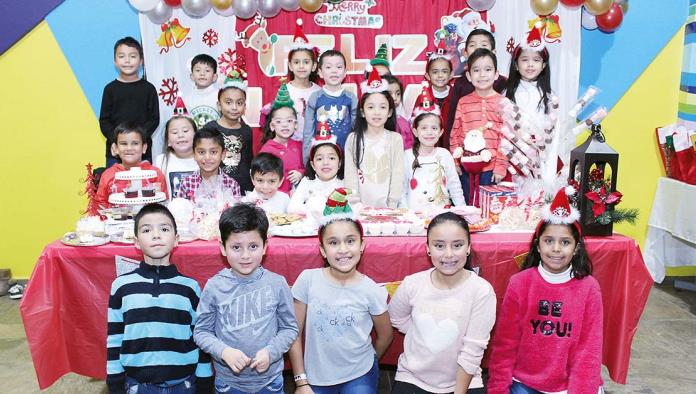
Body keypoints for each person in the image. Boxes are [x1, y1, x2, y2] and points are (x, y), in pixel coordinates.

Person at [487, 187, 604, 394]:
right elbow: (505, 344)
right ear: (538, 245)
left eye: (565, 242)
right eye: (549, 241)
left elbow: (588, 352)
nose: (556, 249)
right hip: (523, 382)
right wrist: (498, 389)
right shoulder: (519, 283)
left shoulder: (589, 288)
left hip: (567, 387)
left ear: (576, 248)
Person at [288, 189, 393, 393]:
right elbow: (293, 333)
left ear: (362, 245)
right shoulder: (308, 280)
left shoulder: (371, 289)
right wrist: (301, 381)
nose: (343, 249)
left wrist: (367, 363)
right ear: (322, 250)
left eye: (350, 241)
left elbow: (386, 335)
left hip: (359, 373)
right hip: (315, 376)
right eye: (333, 243)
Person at [106, 203, 213, 394]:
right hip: (137, 385)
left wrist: (204, 377)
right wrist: (114, 379)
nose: (156, 235)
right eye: (147, 230)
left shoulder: (190, 287)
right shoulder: (121, 286)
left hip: (184, 384)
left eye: (164, 229)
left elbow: (201, 336)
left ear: (176, 239)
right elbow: (115, 337)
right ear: (136, 242)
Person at [194, 204, 298, 393]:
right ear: (223, 248)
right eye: (236, 247)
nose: (245, 256)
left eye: (253, 246)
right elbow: (201, 332)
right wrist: (224, 352)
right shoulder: (215, 286)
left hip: (270, 382)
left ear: (265, 246)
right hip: (229, 384)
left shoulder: (277, 283)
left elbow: (289, 328)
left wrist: (270, 352)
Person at [389, 212, 496, 393]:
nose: (448, 254)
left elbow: (472, 351)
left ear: (468, 247)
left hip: (464, 381)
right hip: (413, 377)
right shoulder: (413, 284)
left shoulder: (481, 291)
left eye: (457, 245)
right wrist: (422, 333)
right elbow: (396, 317)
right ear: (428, 248)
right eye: (439, 245)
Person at [450, 48, 509, 205]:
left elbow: (506, 138)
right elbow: (455, 132)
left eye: (488, 70)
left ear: (496, 74)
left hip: (491, 168)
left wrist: (500, 167)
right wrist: (455, 162)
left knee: (489, 208)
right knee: (468, 207)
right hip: (467, 167)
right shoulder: (463, 102)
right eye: (476, 70)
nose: (482, 75)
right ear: (469, 76)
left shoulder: (503, 103)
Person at [344, 68, 404, 208]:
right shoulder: (353, 139)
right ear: (362, 112)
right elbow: (351, 174)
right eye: (371, 107)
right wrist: (355, 203)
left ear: (389, 112)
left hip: (389, 208)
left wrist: (392, 203)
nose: (377, 112)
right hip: (360, 208)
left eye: (382, 107)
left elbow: (397, 173)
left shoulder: (395, 139)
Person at [99, 36, 159, 167]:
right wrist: (118, 140)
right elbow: (104, 121)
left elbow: (154, 119)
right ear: (115, 61)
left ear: (141, 61)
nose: (127, 61)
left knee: (145, 185)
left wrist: (138, 139)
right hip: (115, 152)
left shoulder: (149, 89)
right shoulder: (110, 89)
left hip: (142, 152)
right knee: (116, 185)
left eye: (132, 56)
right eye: (121, 56)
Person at [200, 59, 254, 193]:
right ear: (219, 105)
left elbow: (248, 161)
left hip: (243, 186)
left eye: (239, 103)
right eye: (228, 102)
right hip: (217, 186)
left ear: (245, 106)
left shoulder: (246, 130)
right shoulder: (210, 128)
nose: (234, 107)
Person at [402, 96, 465, 210]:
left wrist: (462, 209)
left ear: (441, 132)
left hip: (441, 215)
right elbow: (401, 189)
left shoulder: (444, 154)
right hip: (414, 215)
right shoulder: (407, 155)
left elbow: (454, 185)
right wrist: (406, 214)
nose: (429, 132)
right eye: (424, 128)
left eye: (434, 128)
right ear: (415, 132)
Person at [446, 29, 507, 141]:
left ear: (493, 52)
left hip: (497, 148)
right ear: (465, 52)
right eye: (473, 45)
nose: (478, 49)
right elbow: (452, 121)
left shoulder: (503, 82)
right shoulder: (460, 84)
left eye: (484, 45)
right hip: (468, 150)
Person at [302, 49, 358, 161]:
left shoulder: (351, 98)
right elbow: (308, 132)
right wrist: (308, 160)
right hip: (322, 159)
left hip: (346, 156)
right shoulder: (315, 98)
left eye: (339, 67)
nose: (334, 71)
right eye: (328, 67)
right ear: (320, 72)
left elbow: (356, 130)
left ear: (345, 72)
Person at [96, 122, 168, 208]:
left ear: (144, 148)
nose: (129, 148)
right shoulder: (108, 175)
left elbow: (164, 201)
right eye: (124, 144)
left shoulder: (155, 173)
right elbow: (100, 204)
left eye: (135, 143)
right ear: (115, 148)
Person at [504, 26, 556, 143]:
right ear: (516, 65)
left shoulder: (550, 96)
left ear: (543, 65)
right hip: (515, 150)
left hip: (541, 151)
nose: (530, 64)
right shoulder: (507, 93)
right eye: (525, 60)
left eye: (536, 60)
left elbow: (553, 129)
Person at [287, 127, 344, 220]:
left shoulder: (344, 183)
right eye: (319, 159)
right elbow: (292, 208)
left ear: (339, 163)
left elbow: (350, 208)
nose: (325, 162)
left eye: (331, 158)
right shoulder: (307, 182)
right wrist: (313, 208)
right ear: (313, 165)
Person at [260, 81, 305, 193]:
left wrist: (301, 173)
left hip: (297, 197)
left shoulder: (300, 146)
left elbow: (308, 167)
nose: (285, 125)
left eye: (289, 121)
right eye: (279, 121)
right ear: (272, 126)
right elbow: (262, 176)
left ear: (296, 125)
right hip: (276, 197)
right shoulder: (267, 150)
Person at [177, 129, 241, 205]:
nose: (207, 157)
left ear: (223, 154)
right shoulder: (187, 183)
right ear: (194, 154)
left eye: (213, 152)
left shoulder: (232, 185)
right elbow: (180, 212)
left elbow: (236, 215)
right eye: (201, 152)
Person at [286, 19, 322, 142]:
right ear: (290, 66)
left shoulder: (319, 92)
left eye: (306, 62)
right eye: (296, 62)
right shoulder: (285, 91)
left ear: (314, 66)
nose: (301, 66)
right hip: (291, 143)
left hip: (314, 144)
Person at [154, 103, 198, 198]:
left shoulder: (204, 159)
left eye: (185, 131)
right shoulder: (161, 161)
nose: (180, 135)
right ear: (168, 141)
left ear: (196, 136)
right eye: (174, 132)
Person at [424, 40, 455, 150]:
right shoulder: (423, 97)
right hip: (429, 148)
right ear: (427, 75)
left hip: (452, 147)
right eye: (435, 72)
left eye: (444, 71)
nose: (440, 75)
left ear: (451, 74)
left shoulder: (456, 96)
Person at [186, 54, 220, 129]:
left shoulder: (220, 96)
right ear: (192, 76)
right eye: (198, 70)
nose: (202, 74)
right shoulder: (187, 99)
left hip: (217, 139)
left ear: (214, 77)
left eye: (207, 70)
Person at [384, 74, 414, 149]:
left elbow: (409, 146)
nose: (394, 98)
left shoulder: (403, 122)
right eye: (389, 94)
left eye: (398, 94)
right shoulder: (374, 120)